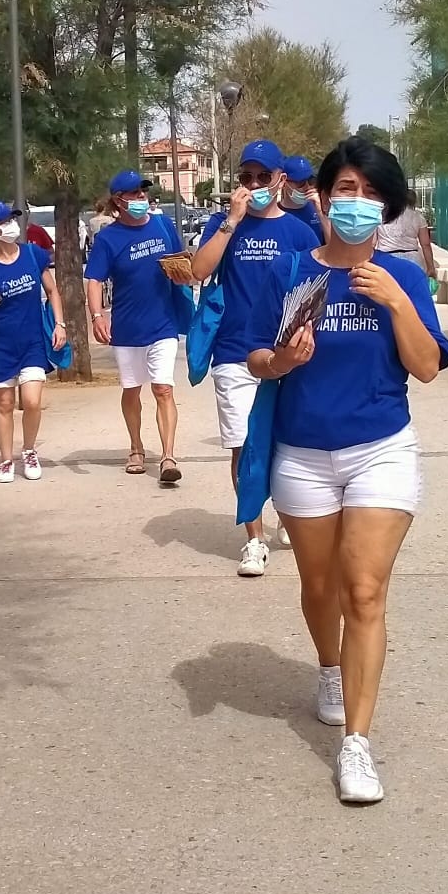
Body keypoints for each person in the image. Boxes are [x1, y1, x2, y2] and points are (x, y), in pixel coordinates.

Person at [246, 136, 448, 805]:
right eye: (346, 189)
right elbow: (255, 358)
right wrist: (282, 361)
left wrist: (394, 301)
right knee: (321, 583)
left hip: (379, 449)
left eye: (371, 193)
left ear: (387, 207)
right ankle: (330, 668)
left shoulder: (406, 278)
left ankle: (356, 746)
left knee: (364, 591)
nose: (357, 203)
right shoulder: (291, 272)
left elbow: (425, 367)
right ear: (323, 195)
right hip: (302, 454)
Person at [188, 139, 320, 576]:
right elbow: (198, 271)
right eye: (247, 177)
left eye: (264, 176)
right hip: (234, 351)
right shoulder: (224, 225)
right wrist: (230, 223)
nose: (255, 184)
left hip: (288, 352)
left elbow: (320, 285)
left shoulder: (300, 232)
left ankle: (285, 509)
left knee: (285, 442)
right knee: (244, 447)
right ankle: (254, 539)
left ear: (281, 178)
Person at [84, 169, 193, 486]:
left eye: (143, 192)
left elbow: (181, 260)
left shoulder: (162, 225)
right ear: (118, 200)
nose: (141, 198)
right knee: (132, 390)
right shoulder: (108, 238)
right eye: (133, 194)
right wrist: (97, 315)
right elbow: (94, 280)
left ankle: (168, 456)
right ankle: (135, 447)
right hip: (128, 327)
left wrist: (184, 273)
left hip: (163, 323)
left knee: (163, 388)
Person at [0, 200, 65, 483]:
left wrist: (60, 324)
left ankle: (29, 450)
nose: (12, 225)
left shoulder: (33, 254)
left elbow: (53, 290)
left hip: (33, 342)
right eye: (5, 221)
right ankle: (5, 460)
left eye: (12, 219)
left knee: (32, 402)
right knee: (5, 404)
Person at [374, 197, 438, 284]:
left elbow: (372, 243)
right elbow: (425, 244)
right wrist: (431, 267)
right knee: (412, 294)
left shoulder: (380, 216)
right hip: (413, 260)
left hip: (386, 260)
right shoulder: (417, 216)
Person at [281, 154, 326, 240]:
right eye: (300, 182)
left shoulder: (320, 208)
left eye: (311, 181)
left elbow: (333, 246)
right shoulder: (275, 212)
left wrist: (321, 213)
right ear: (284, 182)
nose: (307, 187)